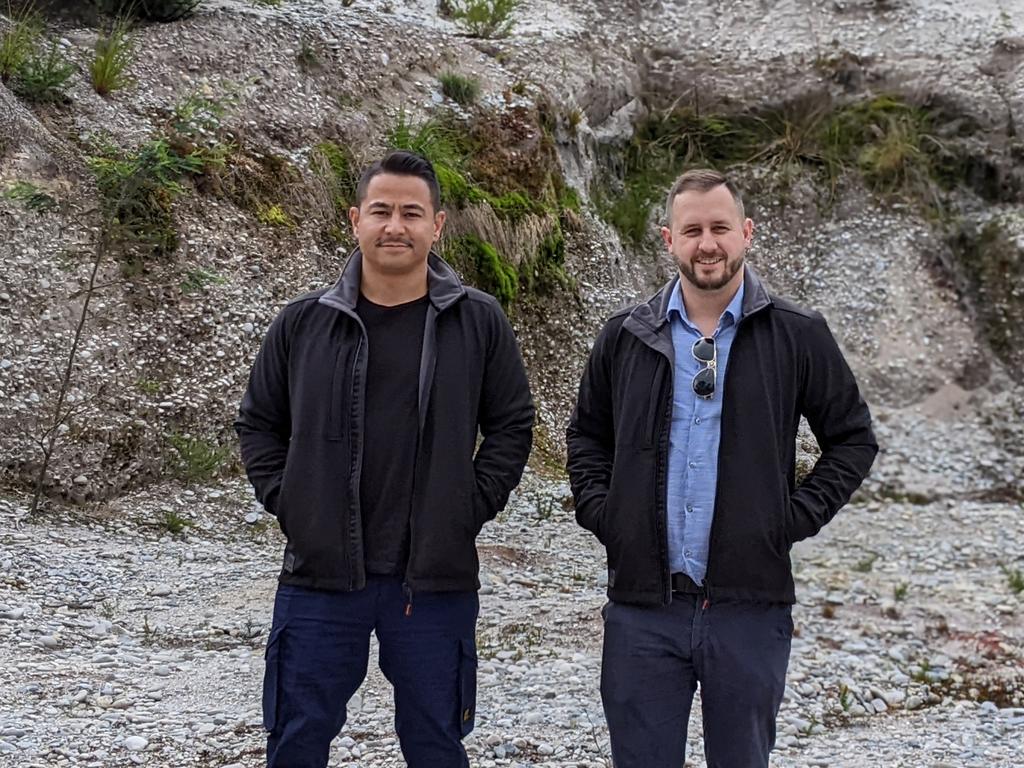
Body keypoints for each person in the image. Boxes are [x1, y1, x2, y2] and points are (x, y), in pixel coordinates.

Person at [566, 169, 878, 768]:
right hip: (643, 610)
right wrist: (608, 515)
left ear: (746, 233)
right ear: (668, 239)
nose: (707, 243)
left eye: (719, 228)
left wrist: (791, 519)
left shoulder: (797, 334)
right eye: (692, 230)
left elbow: (853, 440)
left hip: (749, 609)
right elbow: (586, 435)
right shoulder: (626, 336)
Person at [235, 150, 534, 768]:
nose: (395, 226)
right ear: (355, 220)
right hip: (319, 577)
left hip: (432, 580)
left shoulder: (477, 321)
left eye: (411, 213)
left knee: (435, 743)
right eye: (381, 211)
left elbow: (511, 424)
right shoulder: (304, 323)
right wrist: (290, 501)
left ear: (437, 225)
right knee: (295, 742)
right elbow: (259, 424)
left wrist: (469, 506)